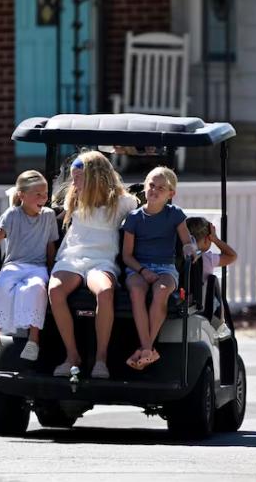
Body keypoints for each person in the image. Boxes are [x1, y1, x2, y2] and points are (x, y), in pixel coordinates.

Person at [48, 151, 138, 379]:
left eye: (79, 177)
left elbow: (142, 214)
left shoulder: (122, 203)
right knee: (56, 290)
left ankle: (101, 358)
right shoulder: (74, 199)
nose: (74, 183)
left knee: (105, 291)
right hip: (72, 257)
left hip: (102, 260)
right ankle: (72, 356)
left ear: (96, 177)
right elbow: (53, 219)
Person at [0, 170, 59, 363]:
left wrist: (51, 270)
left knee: (36, 288)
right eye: (38, 194)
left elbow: (50, 247)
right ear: (22, 195)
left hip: (37, 267)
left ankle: (33, 340)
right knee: (0, 286)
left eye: (45, 194)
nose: (43, 198)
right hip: (14, 264)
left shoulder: (48, 216)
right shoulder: (13, 214)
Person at [121, 166, 196, 370]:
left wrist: (191, 249)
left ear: (171, 193)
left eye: (161, 188)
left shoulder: (175, 214)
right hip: (138, 268)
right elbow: (126, 256)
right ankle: (148, 350)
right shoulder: (134, 217)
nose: (154, 190)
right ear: (145, 187)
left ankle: (145, 348)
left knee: (161, 291)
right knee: (137, 290)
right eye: (151, 185)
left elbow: (186, 241)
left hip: (165, 268)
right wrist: (143, 271)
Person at [186, 217, 237, 340]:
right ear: (206, 239)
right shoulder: (207, 258)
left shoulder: (181, 258)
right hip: (203, 307)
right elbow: (232, 256)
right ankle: (220, 325)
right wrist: (215, 239)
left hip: (186, 305)